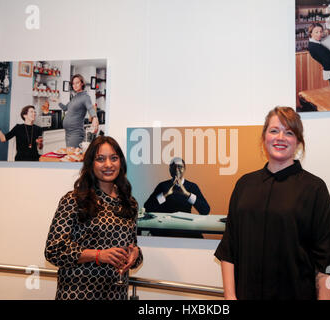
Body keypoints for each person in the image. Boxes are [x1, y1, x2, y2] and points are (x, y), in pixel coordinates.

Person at [215, 107, 330, 300]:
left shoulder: (315, 189)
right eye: (274, 130)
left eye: (289, 132)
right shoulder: (244, 185)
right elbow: (229, 250)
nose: (280, 137)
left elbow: (329, 264)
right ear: (264, 137)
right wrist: (230, 297)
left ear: (298, 141)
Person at [44, 136, 143, 300]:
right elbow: (53, 250)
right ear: (90, 164)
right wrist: (98, 255)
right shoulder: (74, 200)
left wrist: (135, 255)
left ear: (121, 162)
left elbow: (133, 247)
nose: (108, 165)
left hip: (116, 294)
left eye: (114, 158)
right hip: (78, 294)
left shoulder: (129, 203)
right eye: (100, 159)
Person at [144, 157, 210, 215]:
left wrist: (187, 194)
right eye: (173, 167)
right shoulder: (162, 185)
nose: (176, 169)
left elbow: (205, 210)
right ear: (169, 169)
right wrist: (165, 194)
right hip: (165, 226)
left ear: (184, 169)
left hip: (184, 226)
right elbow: (147, 208)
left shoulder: (192, 186)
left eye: (180, 167)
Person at [54, 74, 99, 148]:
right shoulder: (74, 97)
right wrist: (58, 101)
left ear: (82, 83)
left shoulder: (85, 97)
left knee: (74, 155)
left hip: (76, 132)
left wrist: (95, 117)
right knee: (70, 154)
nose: (75, 85)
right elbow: (65, 108)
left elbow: (90, 108)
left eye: (77, 83)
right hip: (68, 132)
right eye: (73, 83)